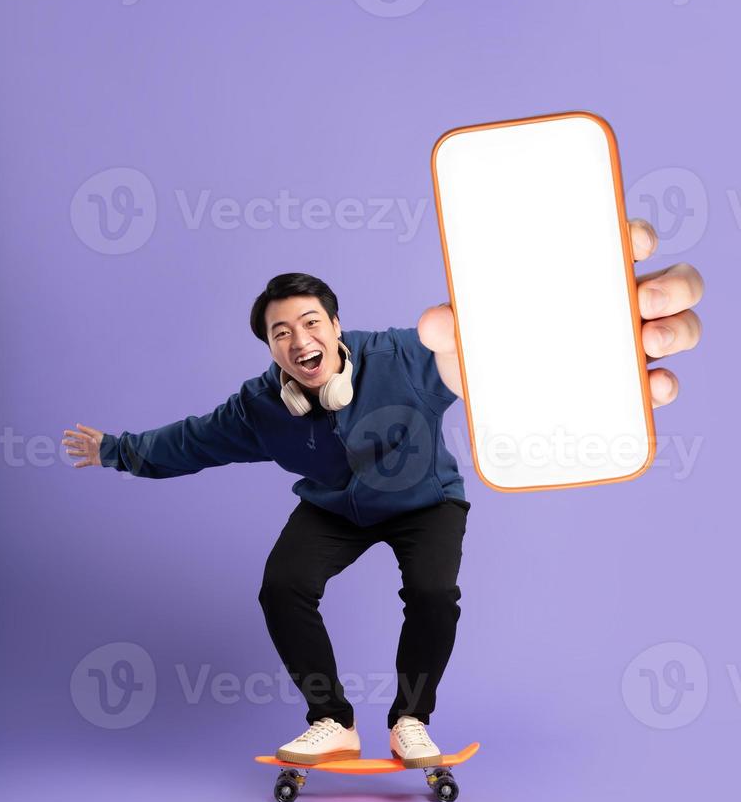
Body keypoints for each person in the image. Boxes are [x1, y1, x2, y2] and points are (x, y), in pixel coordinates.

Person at [62, 219, 704, 768]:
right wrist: (115, 450)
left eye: (310, 321)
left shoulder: (405, 356)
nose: (298, 339)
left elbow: (495, 353)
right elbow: (190, 441)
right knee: (281, 585)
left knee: (432, 593)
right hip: (335, 508)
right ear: (271, 349)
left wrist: (585, 318)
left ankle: (410, 721)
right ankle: (333, 722)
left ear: (336, 324)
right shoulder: (259, 408)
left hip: (426, 502)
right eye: (280, 333)